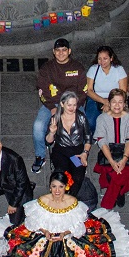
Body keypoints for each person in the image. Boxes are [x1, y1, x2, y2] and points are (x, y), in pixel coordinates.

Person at [0, 170, 129, 257]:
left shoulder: (72, 202)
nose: (57, 190)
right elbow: (33, 222)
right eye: (54, 186)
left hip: (67, 238)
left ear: (66, 187)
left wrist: (64, 234)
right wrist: (45, 231)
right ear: (50, 187)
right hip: (45, 237)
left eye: (60, 187)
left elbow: (77, 227)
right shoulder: (43, 201)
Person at [31, 38, 88, 173]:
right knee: (38, 126)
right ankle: (40, 155)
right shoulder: (47, 68)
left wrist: (73, 108)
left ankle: (81, 158)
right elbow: (42, 91)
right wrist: (52, 108)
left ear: (69, 51)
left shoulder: (78, 68)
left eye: (64, 50)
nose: (61, 53)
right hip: (53, 104)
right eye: (58, 50)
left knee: (83, 128)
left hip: (73, 104)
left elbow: (83, 91)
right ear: (53, 52)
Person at [93, 90, 129, 209]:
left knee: (120, 172)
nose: (117, 105)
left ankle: (115, 193)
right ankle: (119, 191)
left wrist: (124, 160)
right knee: (116, 172)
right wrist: (111, 161)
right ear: (109, 103)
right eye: (114, 102)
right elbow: (102, 141)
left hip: (125, 152)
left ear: (125, 104)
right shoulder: (101, 118)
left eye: (120, 102)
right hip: (108, 153)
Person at [45, 90, 94, 195]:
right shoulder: (55, 119)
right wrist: (52, 133)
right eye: (69, 105)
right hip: (61, 151)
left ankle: (71, 197)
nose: (72, 108)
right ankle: (59, 195)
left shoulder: (81, 117)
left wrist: (85, 153)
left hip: (76, 152)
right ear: (62, 104)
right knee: (62, 174)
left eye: (74, 105)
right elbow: (48, 141)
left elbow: (88, 137)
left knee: (78, 175)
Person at [84, 46, 128, 127]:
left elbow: (123, 90)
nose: (102, 61)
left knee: (112, 121)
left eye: (105, 58)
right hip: (95, 98)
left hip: (115, 98)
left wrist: (110, 102)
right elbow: (89, 90)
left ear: (111, 58)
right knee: (90, 122)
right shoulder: (93, 69)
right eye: (99, 58)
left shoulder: (119, 69)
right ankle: (95, 138)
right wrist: (104, 101)